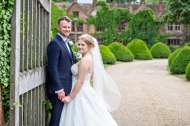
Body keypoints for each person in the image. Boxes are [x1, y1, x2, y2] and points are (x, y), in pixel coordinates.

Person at [59, 34, 121, 126]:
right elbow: (90, 76)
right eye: (79, 44)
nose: (80, 47)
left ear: (90, 46)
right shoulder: (88, 58)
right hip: (85, 89)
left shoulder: (85, 61)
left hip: (80, 93)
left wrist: (70, 97)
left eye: (83, 45)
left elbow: (80, 81)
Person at [45, 16, 74, 126]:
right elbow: (52, 68)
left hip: (66, 87)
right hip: (58, 90)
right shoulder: (54, 44)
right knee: (56, 117)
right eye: (64, 27)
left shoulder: (66, 43)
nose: (67, 29)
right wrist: (59, 89)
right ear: (58, 27)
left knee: (62, 117)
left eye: (69, 27)